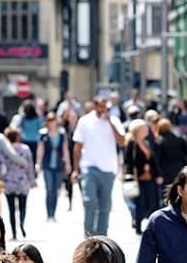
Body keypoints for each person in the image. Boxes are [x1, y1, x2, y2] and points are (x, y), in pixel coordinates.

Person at [71, 96, 126, 236]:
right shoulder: (84, 121)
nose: (103, 110)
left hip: (108, 169)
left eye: (105, 107)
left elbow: (122, 142)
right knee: (89, 201)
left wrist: (110, 123)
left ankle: (102, 236)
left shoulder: (114, 121)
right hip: (89, 167)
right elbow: (77, 146)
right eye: (100, 106)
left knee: (105, 205)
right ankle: (89, 234)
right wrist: (75, 169)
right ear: (95, 106)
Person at [124, 118, 163, 234]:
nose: (147, 129)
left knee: (152, 202)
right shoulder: (132, 143)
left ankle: (152, 225)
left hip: (150, 177)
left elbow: (153, 159)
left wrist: (158, 174)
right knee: (140, 203)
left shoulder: (147, 142)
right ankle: (138, 226)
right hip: (138, 178)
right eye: (144, 128)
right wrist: (131, 174)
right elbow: (128, 161)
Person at [35, 112, 71, 222]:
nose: (52, 124)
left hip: (59, 165)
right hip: (47, 166)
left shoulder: (61, 134)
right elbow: (40, 150)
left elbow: (65, 150)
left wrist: (68, 164)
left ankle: (53, 213)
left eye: (53, 121)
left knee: (56, 190)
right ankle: (49, 214)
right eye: (50, 121)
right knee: (49, 189)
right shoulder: (43, 134)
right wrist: (38, 163)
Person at [2, 127, 35, 240]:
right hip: (22, 181)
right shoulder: (25, 149)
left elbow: (2, 165)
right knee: (22, 206)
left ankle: (14, 232)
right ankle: (21, 223)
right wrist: (32, 180)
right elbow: (30, 165)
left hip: (9, 181)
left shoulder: (6, 149)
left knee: (11, 209)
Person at [157, 118, 187, 187]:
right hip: (179, 168)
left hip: (165, 171)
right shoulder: (179, 139)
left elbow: (158, 158)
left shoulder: (159, 142)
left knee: (167, 192)